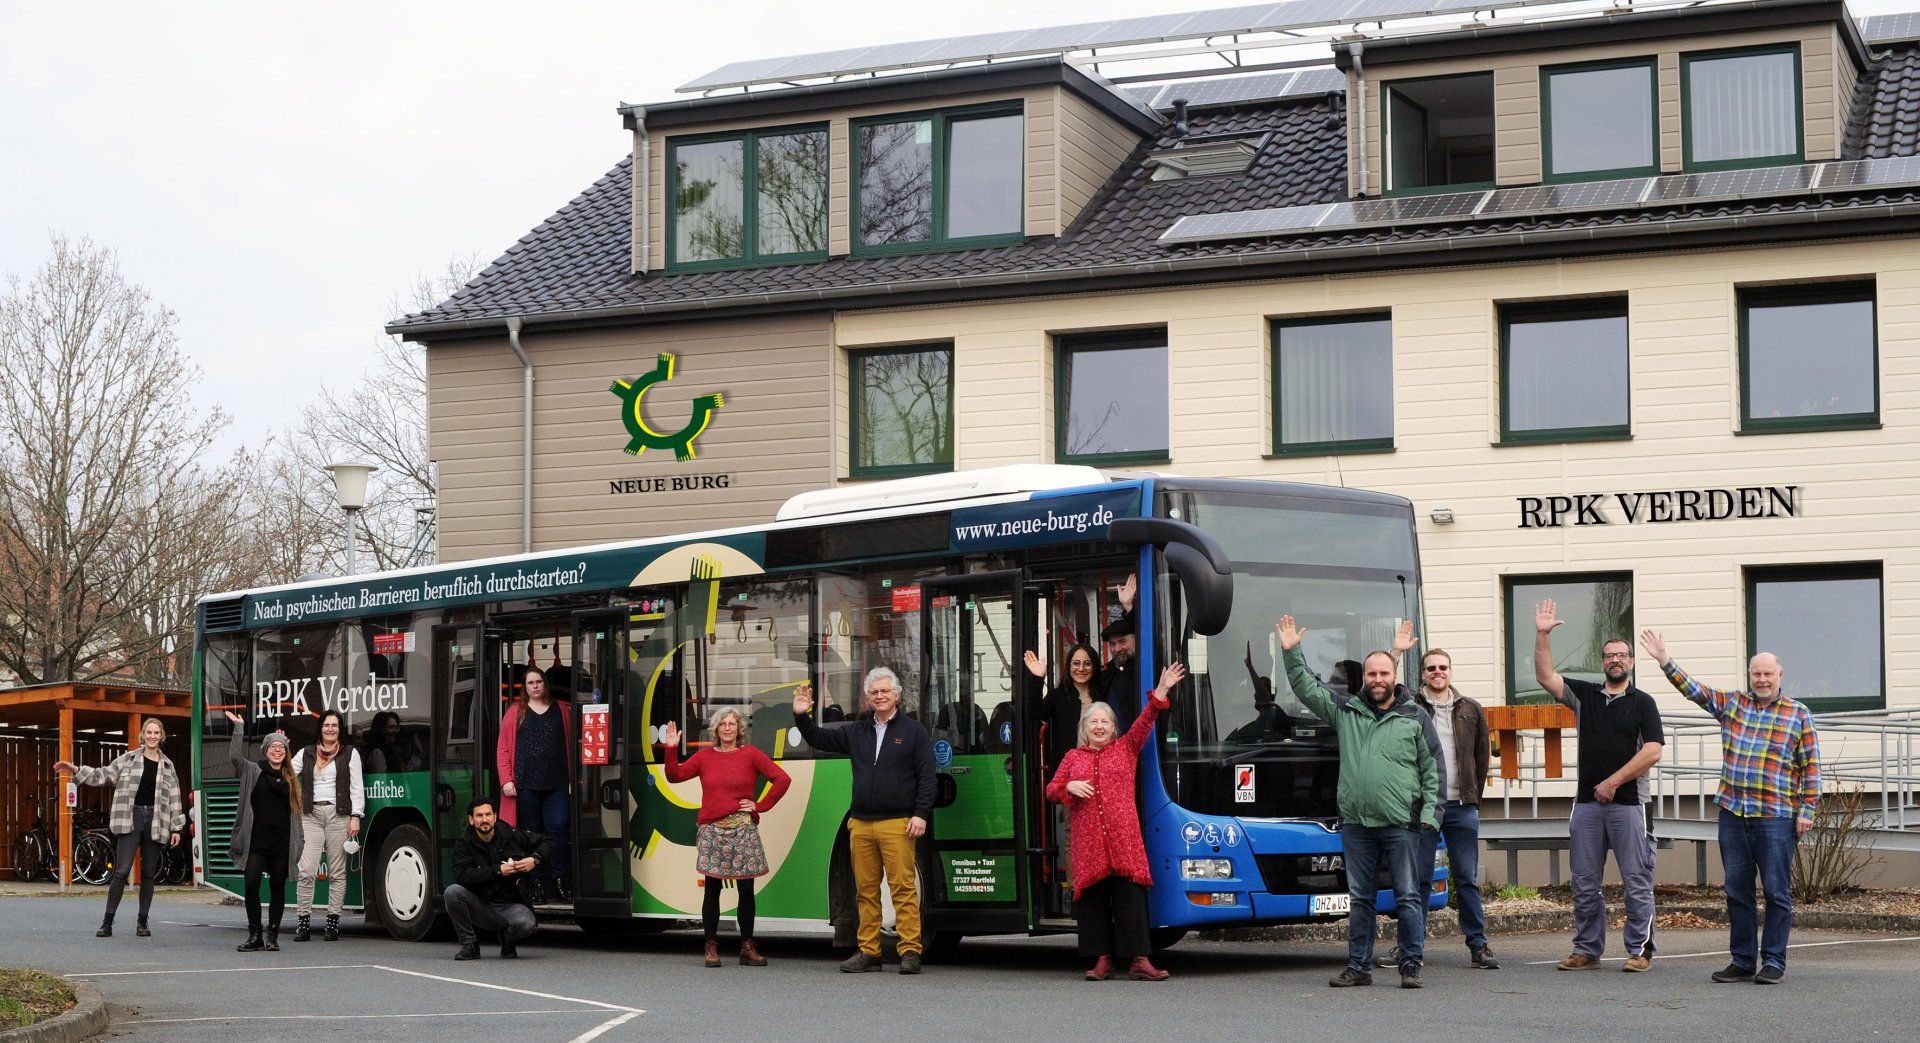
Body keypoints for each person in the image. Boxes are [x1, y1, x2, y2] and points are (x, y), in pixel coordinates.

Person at [1641, 631, 1820, 985]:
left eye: (1768, 674)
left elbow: (1810, 766)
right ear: (1750, 676)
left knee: (1776, 891)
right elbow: (1694, 690)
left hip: (1776, 816)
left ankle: (1773, 962)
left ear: (1780, 676)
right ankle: (1741, 960)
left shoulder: (1798, 714)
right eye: (1756, 674)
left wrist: (1807, 810)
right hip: (1734, 814)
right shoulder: (1733, 704)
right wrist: (1664, 660)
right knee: (1736, 890)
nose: (1762, 679)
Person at [1275, 615, 1438, 989]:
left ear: (1395, 677)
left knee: (1409, 897)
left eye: (1383, 674)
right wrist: (1291, 653)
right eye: (1371, 674)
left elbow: (1434, 772)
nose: (1377, 680)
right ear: (1363, 677)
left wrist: (1429, 817)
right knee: (1360, 899)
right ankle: (1359, 967)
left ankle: (1411, 964)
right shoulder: (1347, 710)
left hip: (1401, 825)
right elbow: (1306, 689)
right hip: (1357, 826)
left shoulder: (1414, 716)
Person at [1534, 600, 1664, 973]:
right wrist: (1542, 636)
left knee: (1636, 881)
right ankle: (1587, 949)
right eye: (1609, 656)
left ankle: (1640, 951)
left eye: (1622, 655)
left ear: (1632, 663)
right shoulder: (1585, 698)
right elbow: (1546, 676)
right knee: (1585, 883)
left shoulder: (1643, 704)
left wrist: (1613, 781)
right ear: (1602, 662)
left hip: (1629, 806)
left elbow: (1652, 751)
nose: (1615, 660)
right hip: (1587, 807)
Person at [1046, 661, 1187, 982]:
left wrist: (1162, 689)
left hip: (1124, 841)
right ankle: (1102, 960)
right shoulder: (1073, 758)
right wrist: (1068, 786)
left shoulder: (1126, 748)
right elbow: (1051, 790)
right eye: (1093, 721)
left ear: (1113, 727)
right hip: (1088, 843)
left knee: (1131, 900)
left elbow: (1147, 719)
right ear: (1085, 727)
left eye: (1105, 721)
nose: (1099, 726)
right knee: (1093, 902)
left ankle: (1140, 959)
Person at [792, 667, 936, 974]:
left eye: (885, 691)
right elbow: (819, 738)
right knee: (865, 890)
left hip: (898, 822)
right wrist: (801, 716)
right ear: (867, 698)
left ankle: (910, 951)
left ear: (897, 695)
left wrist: (921, 814)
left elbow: (927, 776)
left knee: (903, 889)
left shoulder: (914, 732)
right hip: (861, 823)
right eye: (874, 692)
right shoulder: (856, 731)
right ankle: (869, 952)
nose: (880, 696)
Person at [660, 708, 791, 968]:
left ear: (740, 729)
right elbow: (675, 776)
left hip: (742, 827)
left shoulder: (751, 754)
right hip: (712, 828)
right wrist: (671, 748)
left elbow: (782, 779)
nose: (728, 728)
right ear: (716, 729)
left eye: (733, 724)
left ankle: (747, 947)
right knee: (712, 889)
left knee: (746, 889)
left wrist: (759, 805)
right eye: (723, 724)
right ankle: (711, 946)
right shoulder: (704, 757)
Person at [56, 718, 185, 939]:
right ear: (142, 735)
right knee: (122, 871)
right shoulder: (129, 759)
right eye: (149, 732)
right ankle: (107, 921)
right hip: (130, 818)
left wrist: (177, 828)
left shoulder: (168, 766)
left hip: (157, 820)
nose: (152, 736)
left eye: (156, 733)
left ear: (161, 736)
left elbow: (175, 799)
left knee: (148, 874)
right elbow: (104, 775)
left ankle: (142, 922)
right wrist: (76, 769)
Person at [1409, 647, 1497, 970]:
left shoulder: (1471, 709)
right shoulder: (1411, 707)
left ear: (1451, 672)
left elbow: (1481, 759)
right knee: (1418, 878)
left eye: (1442, 667)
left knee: (1466, 878)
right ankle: (1410, 945)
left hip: (1462, 806)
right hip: (1424, 807)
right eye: (1430, 668)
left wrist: (1473, 800)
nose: (1437, 672)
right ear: (1422, 674)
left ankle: (1478, 945)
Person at [223, 711, 304, 953]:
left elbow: (297, 816)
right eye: (273, 747)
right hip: (256, 839)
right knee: (251, 885)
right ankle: (255, 934)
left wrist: (299, 841)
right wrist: (239, 727)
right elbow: (234, 756)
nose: (277, 750)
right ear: (265, 750)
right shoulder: (251, 770)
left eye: (281, 747)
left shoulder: (291, 778)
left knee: (278, 887)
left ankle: (273, 937)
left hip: (282, 841)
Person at [497, 666, 576, 903]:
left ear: (545, 684)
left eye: (539, 681)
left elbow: (571, 746)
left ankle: (560, 879)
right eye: (530, 682)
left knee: (558, 829)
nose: (535, 686)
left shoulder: (562, 710)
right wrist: (506, 779)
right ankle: (536, 883)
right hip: (525, 784)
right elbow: (503, 748)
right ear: (525, 686)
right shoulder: (514, 712)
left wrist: (573, 779)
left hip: (557, 782)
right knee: (531, 835)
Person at [444, 797, 554, 960]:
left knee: (527, 924)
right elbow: (462, 875)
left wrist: (534, 859)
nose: (485, 820)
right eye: (479, 816)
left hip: (509, 904)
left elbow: (549, 842)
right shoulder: (464, 843)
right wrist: (498, 871)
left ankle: (508, 942)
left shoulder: (512, 835)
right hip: (480, 904)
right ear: (471, 820)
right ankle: (469, 945)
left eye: (488, 815)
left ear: (495, 817)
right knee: (452, 892)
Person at [290, 709, 365, 942]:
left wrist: (356, 816)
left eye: (334, 725)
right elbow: (287, 773)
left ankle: (332, 923)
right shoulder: (306, 753)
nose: (330, 729)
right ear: (320, 728)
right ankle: (303, 923)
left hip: (338, 815)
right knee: (306, 870)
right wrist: (281, 745)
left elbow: (357, 787)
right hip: (310, 815)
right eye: (326, 725)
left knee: (337, 872)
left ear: (340, 729)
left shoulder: (349, 753)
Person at [1022, 642, 1104, 766]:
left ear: (1094, 666)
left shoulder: (1103, 695)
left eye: (1087, 663)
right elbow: (1034, 712)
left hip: (1098, 766)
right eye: (1076, 663)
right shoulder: (1057, 696)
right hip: (1066, 771)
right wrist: (1038, 677)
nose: (1081, 668)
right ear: (1069, 666)